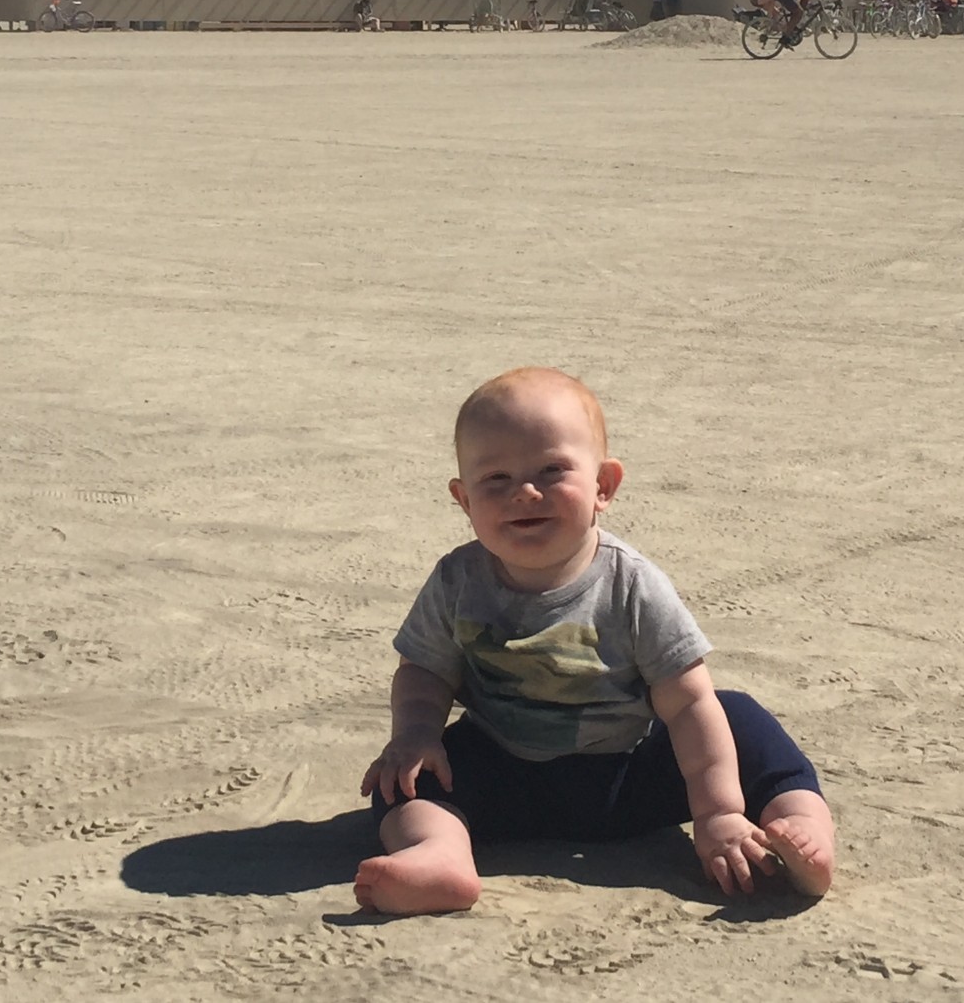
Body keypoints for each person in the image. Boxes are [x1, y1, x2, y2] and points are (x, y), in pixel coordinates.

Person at [355, 367, 835, 916]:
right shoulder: (455, 581)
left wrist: (717, 813)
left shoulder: (632, 585)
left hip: (627, 777)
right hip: (503, 773)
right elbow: (424, 671)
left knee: (738, 719)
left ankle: (799, 827)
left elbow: (686, 705)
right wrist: (416, 735)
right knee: (404, 780)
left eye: (551, 470)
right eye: (496, 479)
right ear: (464, 500)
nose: (525, 492)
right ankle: (439, 855)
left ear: (603, 485)